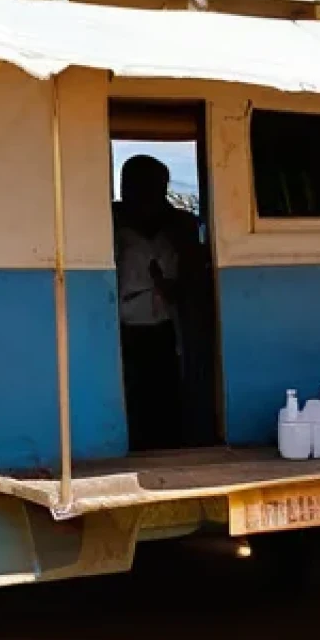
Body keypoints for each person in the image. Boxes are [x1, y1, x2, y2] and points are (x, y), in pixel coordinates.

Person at [113, 155, 202, 452]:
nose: (140, 193)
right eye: (135, 185)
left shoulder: (180, 224)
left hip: (163, 322)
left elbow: (190, 277)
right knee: (131, 391)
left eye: (150, 185)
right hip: (124, 323)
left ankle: (168, 445)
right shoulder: (111, 221)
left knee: (165, 390)